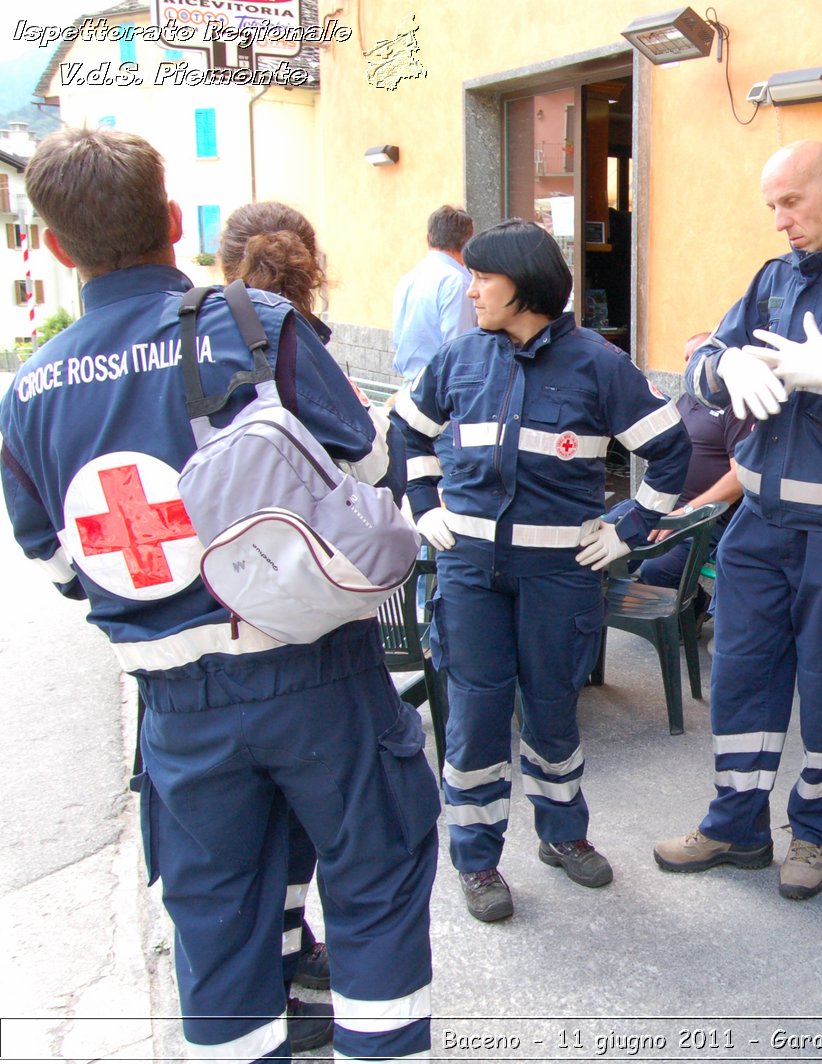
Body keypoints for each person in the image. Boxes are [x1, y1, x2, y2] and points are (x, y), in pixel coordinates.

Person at [0, 128, 437, 1061]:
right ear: (168, 220)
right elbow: (370, 464)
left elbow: (61, 565)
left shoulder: (27, 392)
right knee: (377, 885)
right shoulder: (251, 324)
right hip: (316, 672)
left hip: (176, 706)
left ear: (57, 249)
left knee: (217, 928)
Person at [393, 218, 690, 922]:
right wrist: (422, 502)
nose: (470, 292)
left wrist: (629, 529)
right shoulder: (461, 358)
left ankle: (563, 836)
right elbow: (406, 429)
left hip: (558, 578)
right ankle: (478, 862)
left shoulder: (597, 364)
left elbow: (671, 450)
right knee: (475, 717)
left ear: (521, 286)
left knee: (554, 711)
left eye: (482, 278)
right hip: (469, 576)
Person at [654, 140, 822, 900]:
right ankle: (735, 825)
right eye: (771, 206)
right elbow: (706, 354)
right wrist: (720, 364)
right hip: (758, 526)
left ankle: (813, 836)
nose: (781, 221)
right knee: (740, 679)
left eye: (792, 203)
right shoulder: (773, 280)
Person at [216, 200, 352, 1006]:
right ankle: (296, 972)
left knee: (245, 837)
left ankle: (286, 963)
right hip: (306, 621)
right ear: (311, 263)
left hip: (210, 627)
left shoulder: (179, 348)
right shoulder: (300, 346)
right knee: (310, 817)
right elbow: (368, 476)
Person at [634, 332, 753, 603]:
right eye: (687, 358)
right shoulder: (685, 400)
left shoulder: (737, 405)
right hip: (664, 504)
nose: (690, 365)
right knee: (613, 538)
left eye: (698, 356)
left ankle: (692, 610)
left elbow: (740, 478)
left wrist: (685, 514)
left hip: (706, 518)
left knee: (655, 570)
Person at [392, 204, 475, 381]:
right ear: (468, 241)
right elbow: (459, 349)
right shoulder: (458, 282)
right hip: (440, 389)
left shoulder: (408, 278)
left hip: (412, 384)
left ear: (428, 239)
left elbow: (398, 338)